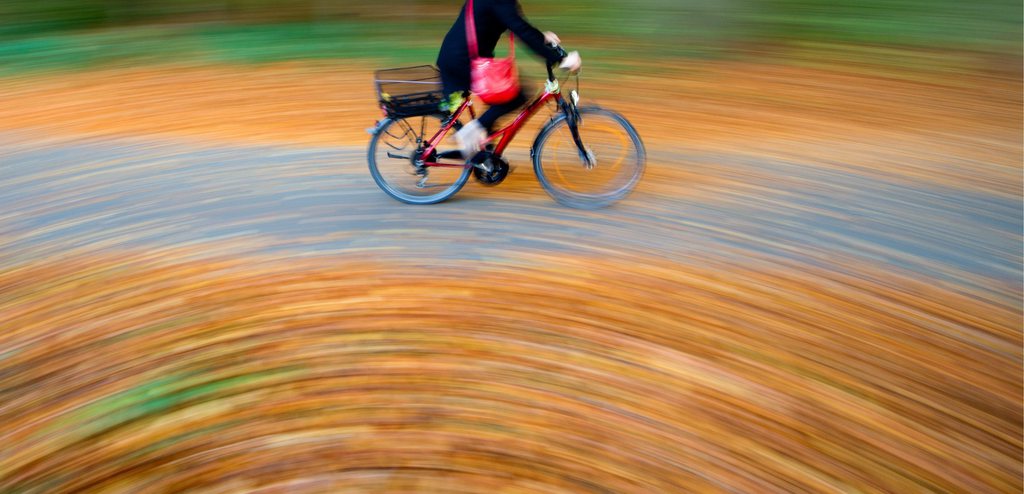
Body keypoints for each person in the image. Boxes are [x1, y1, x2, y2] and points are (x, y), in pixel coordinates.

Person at [436, 0, 582, 158]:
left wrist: (541, 37)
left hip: (458, 57)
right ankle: (470, 133)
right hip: (462, 63)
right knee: (516, 95)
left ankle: (484, 156)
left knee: (499, 98)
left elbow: (514, 22)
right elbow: (521, 30)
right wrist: (561, 60)